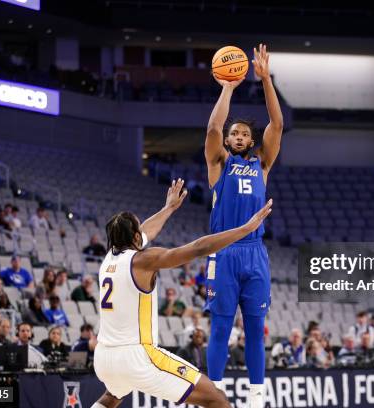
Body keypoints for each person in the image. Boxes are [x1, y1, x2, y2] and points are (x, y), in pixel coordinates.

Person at [91, 178, 271, 408]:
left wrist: (168, 209)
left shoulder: (108, 259)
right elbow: (198, 248)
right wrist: (246, 229)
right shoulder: (143, 260)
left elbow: (146, 231)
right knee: (216, 398)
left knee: (112, 397)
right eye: (138, 230)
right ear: (135, 238)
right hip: (137, 356)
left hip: (105, 358)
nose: (142, 232)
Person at [203, 43, 283, 407]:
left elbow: (277, 124)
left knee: (254, 330)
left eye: (242, 134)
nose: (236, 136)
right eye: (233, 133)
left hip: (255, 254)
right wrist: (228, 86)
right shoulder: (219, 163)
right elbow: (213, 127)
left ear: (251, 142)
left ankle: (255, 397)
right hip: (223, 252)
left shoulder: (261, 165)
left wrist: (266, 80)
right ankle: (213, 394)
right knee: (220, 328)